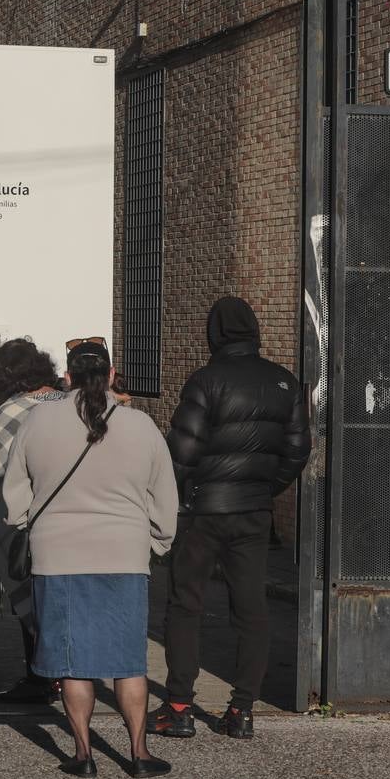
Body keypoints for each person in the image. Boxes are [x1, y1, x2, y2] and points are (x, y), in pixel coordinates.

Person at [3, 338, 178, 779]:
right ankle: (139, 753)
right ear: (113, 374)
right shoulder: (141, 426)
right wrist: (156, 542)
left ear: (67, 376)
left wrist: (30, 522)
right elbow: (165, 497)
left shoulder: (37, 421)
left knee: (71, 661)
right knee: (127, 661)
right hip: (124, 555)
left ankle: (83, 755)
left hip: (57, 556)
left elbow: (14, 494)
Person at [148, 297, 311, 740]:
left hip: (203, 511)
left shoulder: (206, 381)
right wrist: (265, 487)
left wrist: (174, 499)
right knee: (251, 609)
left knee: (186, 604)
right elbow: (297, 451)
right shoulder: (284, 382)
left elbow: (182, 453)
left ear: (214, 333)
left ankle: (179, 706)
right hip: (254, 511)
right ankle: (241, 710)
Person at [0, 338, 67, 704]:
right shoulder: (67, 401)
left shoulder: (13, 409)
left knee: (31, 594)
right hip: (70, 515)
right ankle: (68, 675)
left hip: (30, 519)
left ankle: (42, 677)